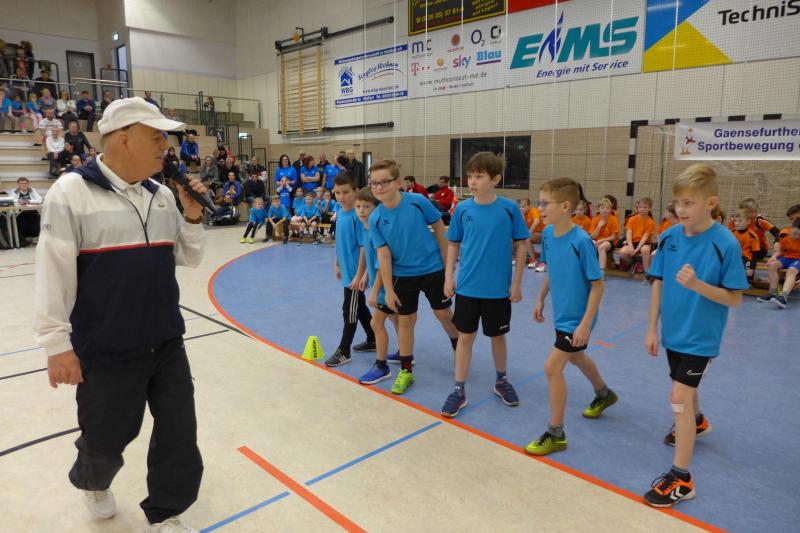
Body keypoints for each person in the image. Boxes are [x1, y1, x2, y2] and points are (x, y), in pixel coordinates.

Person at [33, 96, 207, 531]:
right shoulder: (70, 193)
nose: (166, 145)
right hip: (106, 347)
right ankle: (93, 482)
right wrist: (57, 346)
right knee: (106, 438)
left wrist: (192, 217)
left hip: (165, 340)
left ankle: (165, 512)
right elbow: (53, 273)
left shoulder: (161, 195)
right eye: (156, 136)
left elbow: (187, 257)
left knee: (179, 432)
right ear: (123, 139)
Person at [643, 164, 747, 508]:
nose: (681, 209)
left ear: (710, 203)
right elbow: (658, 282)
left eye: (689, 203)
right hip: (673, 332)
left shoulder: (725, 243)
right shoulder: (670, 236)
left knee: (678, 398)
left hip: (701, 337)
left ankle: (681, 478)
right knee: (684, 392)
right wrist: (651, 328)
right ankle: (697, 422)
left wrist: (698, 285)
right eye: (678, 203)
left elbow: (734, 298)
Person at [525, 177, 617, 456]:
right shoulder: (549, 235)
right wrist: (541, 298)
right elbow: (552, 270)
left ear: (565, 206)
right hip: (562, 313)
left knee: (552, 367)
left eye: (545, 203)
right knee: (576, 357)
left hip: (578, 318)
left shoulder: (582, 241)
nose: (540, 209)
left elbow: (598, 286)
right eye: (539, 203)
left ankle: (556, 433)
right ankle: (604, 394)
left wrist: (585, 324)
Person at [441, 152, 529, 417]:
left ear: (495, 179)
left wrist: (517, 282)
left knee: (497, 336)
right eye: (470, 176)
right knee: (465, 337)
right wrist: (448, 276)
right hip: (467, 287)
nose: (472, 181)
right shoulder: (463, 209)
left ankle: (502, 380)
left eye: (479, 176)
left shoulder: (509, 209)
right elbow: (453, 244)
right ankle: (458, 390)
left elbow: (521, 245)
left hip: (498, 289)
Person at [367, 160, 459, 393]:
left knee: (443, 314)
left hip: (432, 270)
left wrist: (447, 267)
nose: (379, 187)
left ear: (398, 182)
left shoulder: (418, 202)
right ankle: (406, 371)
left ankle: (459, 348)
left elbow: (439, 228)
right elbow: (384, 256)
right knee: (405, 322)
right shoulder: (375, 218)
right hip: (403, 275)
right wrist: (388, 290)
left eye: (384, 182)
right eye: (374, 183)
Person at [324, 171, 376, 366]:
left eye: (346, 192)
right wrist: (338, 263)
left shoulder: (358, 215)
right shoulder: (340, 210)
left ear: (356, 191)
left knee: (350, 310)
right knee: (359, 306)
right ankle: (373, 338)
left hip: (356, 273)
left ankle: (344, 350)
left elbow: (363, 246)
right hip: (346, 270)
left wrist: (360, 274)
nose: (341, 196)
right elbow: (341, 241)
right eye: (337, 192)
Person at [355, 187, 400, 385]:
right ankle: (405, 353)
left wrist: (375, 291)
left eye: (367, 206)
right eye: (358, 206)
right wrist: (365, 275)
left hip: (385, 285)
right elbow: (372, 259)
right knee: (395, 318)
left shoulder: (375, 230)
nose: (361, 210)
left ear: (377, 208)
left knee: (376, 324)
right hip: (379, 283)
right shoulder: (366, 229)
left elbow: (383, 263)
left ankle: (382, 366)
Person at [757, 219, 800, 308]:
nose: (796, 236)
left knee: (791, 271)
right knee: (773, 265)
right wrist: (774, 256)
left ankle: (783, 297)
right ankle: (772, 293)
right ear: (791, 228)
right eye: (795, 233)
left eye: (799, 235)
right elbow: (781, 250)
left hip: (798, 259)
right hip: (787, 257)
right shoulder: (783, 233)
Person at [618, 197, 656, 273]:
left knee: (645, 250)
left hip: (644, 243)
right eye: (640, 207)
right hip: (633, 242)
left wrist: (637, 249)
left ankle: (647, 272)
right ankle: (632, 262)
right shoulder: (632, 219)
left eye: (645, 207)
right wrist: (630, 246)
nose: (642, 209)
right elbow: (629, 233)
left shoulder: (651, 222)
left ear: (649, 208)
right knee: (622, 252)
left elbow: (645, 237)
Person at [730, 208, 761, 285]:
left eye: (740, 221)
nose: (736, 223)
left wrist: (751, 268)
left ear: (748, 222)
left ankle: (748, 279)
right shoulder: (731, 232)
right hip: (734, 256)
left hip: (746, 258)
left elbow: (755, 254)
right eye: (735, 221)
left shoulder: (752, 235)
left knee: (745, 278)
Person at [589, 197, 620, 271]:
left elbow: (614, 237)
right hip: (597, 240)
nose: (605, 210)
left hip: (610, 242)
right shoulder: (595, 219)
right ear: (598, 209)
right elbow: (592, 236)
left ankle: (601, 270)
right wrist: (599, 226)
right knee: (590, 244)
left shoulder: (614, 219)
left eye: (607, 208)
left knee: (602, 247)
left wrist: (601, 240)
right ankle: (590, 267)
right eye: (603, 208)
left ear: (611, 209)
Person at [11, 177, 43, 243]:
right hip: (20, 211)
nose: (24, 185)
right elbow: (12, 200)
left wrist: (28, 201)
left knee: (36, 218)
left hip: (32, 210)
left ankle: (35, 237)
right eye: (21, 183)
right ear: (18, 184)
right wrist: (19, 201)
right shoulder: (15, 191)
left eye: (25, 183)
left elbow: (40, 199)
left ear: (28, 184)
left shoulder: (32, 190)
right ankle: (25, 238)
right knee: (21, 221)